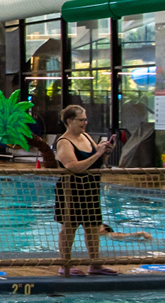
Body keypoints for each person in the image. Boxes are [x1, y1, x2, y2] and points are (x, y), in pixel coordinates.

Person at [53, 105, 117, 277]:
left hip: (90, 188)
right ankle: (65, 264)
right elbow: (74, 166)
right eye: (81, 120)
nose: (85, 123)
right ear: (69, 121)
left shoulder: (86, 137)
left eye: (85, 119)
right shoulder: (64, 142)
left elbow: (97, 163)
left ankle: (95, 264)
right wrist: (97, 154)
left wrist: (105, 152)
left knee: (92, 227)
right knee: (69, 227)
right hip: (70, 190)